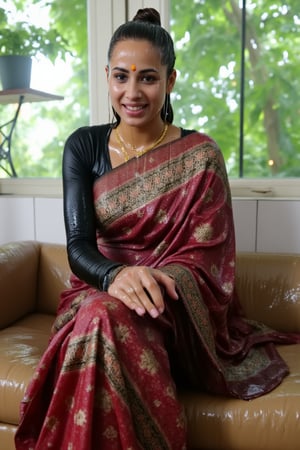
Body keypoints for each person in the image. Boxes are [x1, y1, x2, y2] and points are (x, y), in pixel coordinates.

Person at [15, 7, 300, 450]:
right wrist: (117, 276)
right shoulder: (83, 145)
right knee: (101, 314)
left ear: (169, 81)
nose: (132, 92)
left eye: (147, 77)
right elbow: (78, 245)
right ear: (107, 76)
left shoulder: (201, 154)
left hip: (172, 305)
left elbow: (208, 261)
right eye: (121, 77)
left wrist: (153, 282)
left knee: (105, 318)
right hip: (96, 290)